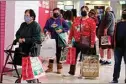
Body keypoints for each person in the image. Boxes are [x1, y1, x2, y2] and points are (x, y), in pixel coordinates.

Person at [66, 6, 96, 76]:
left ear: (88, 11)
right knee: (73, 57)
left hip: (85, 42)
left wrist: (92, 43)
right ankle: (71, 71)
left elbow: (93, 32)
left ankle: (82, 72)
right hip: (76, 41)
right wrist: (69, 39)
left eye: (85, 10)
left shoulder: (91, 21)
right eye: (82, 10)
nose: (83, 11)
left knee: (84, 58)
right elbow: (72, 30)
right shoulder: (77, 19)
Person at [15, 9, 41, 83]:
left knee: (31, 67)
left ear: (32, 17)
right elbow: (17, 33)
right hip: (23, 48)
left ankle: (32, 80)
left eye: (27, 15)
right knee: (24, 66)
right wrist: (18, 39)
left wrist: (25, 40)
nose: (25, 17)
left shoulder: (36, 26)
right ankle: (25, 79)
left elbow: (37, 38)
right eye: (25, 15)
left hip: (32, 49)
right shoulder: (23, 24)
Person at [44, 8, 69, 74]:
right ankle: (50, 68)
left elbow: (67, 27)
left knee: (59, 54)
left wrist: (62, 30)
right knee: (51, 53)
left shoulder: (61, 20)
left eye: (57, 12)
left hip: (60, 39)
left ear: (59, 13)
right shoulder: (49, 20)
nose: (55, 13)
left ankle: (59, 68)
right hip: (52, 39)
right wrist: (46, 31)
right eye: (54, 12)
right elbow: (45, 27)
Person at [111, 9, 126, 83]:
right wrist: (113, 45)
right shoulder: (118, 24)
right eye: (124, 12)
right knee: (117, 63)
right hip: (118, 47)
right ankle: (115, 78)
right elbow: (114, 35)